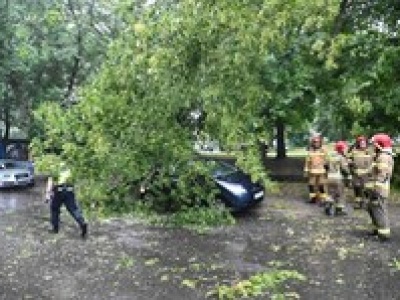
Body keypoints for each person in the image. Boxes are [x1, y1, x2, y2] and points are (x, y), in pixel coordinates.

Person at [45, 162, 88, 238]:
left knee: (54, 209)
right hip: (69, 190)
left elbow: (50, 181)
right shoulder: (70, 165)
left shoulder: (55, 166)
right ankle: (82, 223)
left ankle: (55, 229)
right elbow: (75, 180)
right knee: (73, 209)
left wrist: (48, 194)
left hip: (59, 190)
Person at [365, 133, 394, 241]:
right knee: (371, 208)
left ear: (379, 144)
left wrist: (376, 190)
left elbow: (382, 175)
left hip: (379, 190)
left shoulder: (383, 157)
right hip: (376, 189)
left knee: (379, 210)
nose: (372, 146)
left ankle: (384, 235)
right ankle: (377, 229)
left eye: (374, 144)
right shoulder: (380, 155)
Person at [324, 141, 350, 216]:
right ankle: (339, 210)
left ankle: (328, 204)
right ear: (341, 149)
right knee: (340, 194)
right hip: (338, 178)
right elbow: (344, 169)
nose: (346, 150)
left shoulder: (330, 156)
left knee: (330, 193)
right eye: (345, 148)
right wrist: (348, 173)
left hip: (329, 177)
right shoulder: (341, 157)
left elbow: (325, 165)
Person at [347, 136, 373, 209]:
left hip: (367, 174)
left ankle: (368, 203)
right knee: (357, 188)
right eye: (361, 143)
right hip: (356, 173)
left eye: (364, 142)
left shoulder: (370, 151)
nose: (363, 144)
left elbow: (374, 160)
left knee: (367, 189)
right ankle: (358, 203)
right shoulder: (354, 151)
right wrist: (351, 165)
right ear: (358, 143)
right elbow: (348, 159)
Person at [304, 135, 328, 204]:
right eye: (315, 142)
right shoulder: (310, 151)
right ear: (312, 143)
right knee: (311, 185)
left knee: (321, 185)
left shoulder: (323, 150)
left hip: (321, 171)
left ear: (320, 143)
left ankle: (323, 199)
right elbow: (307, 161)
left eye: (317, 142)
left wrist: (327, 170)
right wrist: (306, 171)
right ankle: (313, 198)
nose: (316, 143)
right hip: (312, 171)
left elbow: (327, 160)